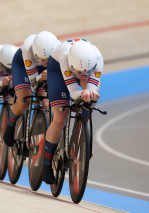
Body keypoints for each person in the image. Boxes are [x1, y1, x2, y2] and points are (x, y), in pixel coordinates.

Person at [42, 39, 104, 184]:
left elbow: (91, 88)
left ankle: (81, 141)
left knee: (88, 104)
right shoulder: (65, 58)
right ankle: (46, 163)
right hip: (57, 69)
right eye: (79, 73)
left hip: (82, 67)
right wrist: (83, 92)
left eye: (86, 72)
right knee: (60, 117)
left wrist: (91, 94)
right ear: (71, 66)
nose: (83, 75)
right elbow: (74, 92)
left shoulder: (98, 60)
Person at [3, 31, 60, 146]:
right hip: (23, 67)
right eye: (42, 59)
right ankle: (11, 124)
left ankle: (45, 137)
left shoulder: (59, 49)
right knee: (25, 99)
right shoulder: (27, 50)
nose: (44, 63)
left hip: (41, 71)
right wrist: (42, 77)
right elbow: (34, 82)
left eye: (47, 60)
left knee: (46, 102)